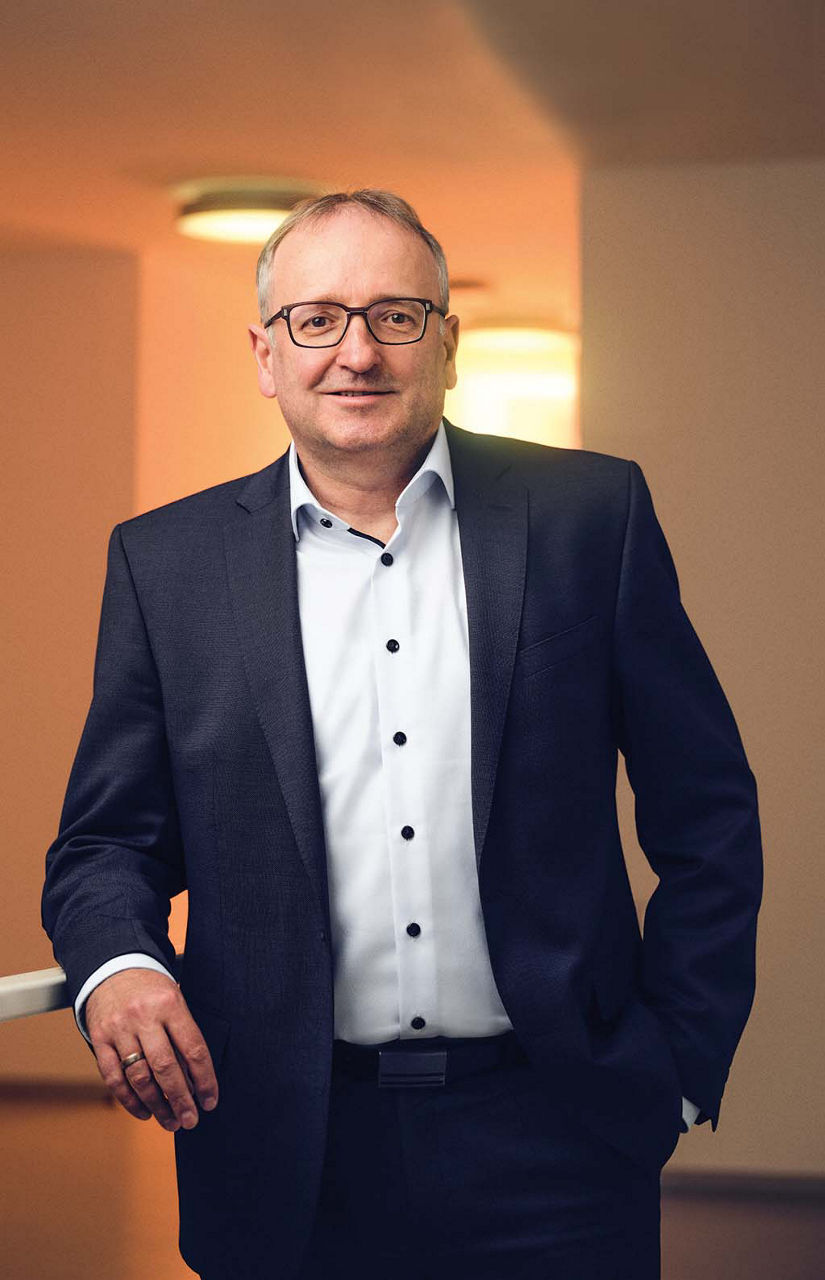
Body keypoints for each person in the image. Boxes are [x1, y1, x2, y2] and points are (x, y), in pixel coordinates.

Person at [41, 189, 763, 1280]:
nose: (357, 352)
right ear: (265, 353)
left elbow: (706, 810)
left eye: (396, 315)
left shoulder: (588, 517)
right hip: (284, 1140)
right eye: (317, 318)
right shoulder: (166, 564)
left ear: (448, 342)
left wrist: (676, 1065)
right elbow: (104, 844)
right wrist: (122, 965)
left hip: (558, 1132)